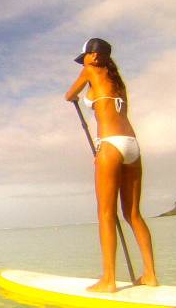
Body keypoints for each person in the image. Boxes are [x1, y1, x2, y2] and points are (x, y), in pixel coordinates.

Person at [65, 38, 159, 292]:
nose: (83, 62)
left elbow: (69, 95)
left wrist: (77, 98)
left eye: (84, 57)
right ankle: (150, 274)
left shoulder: (90, 71)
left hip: (110, 145)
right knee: (133, 214)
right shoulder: (118, 82)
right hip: (132, 146)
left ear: (93, 56)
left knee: (106, 214)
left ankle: (108, 280)